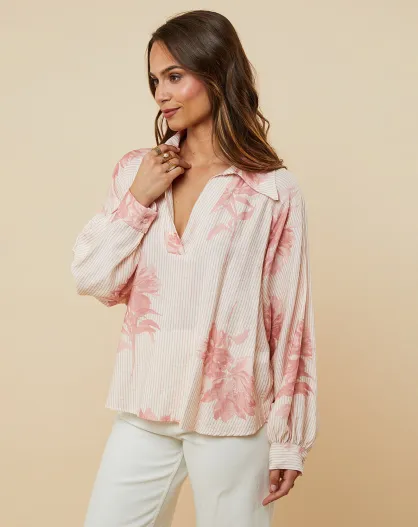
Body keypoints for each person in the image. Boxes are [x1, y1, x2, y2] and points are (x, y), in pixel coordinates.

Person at [71, 9, 319, 527]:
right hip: (145, 406)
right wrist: (139, 199)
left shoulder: (271, 191)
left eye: (175, 76)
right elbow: (93, 278)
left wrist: (288, 441)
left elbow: (290, 323)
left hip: (232, 418)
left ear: (217, 73)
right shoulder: (139, 171)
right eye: (155, 80)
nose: (160, 94)